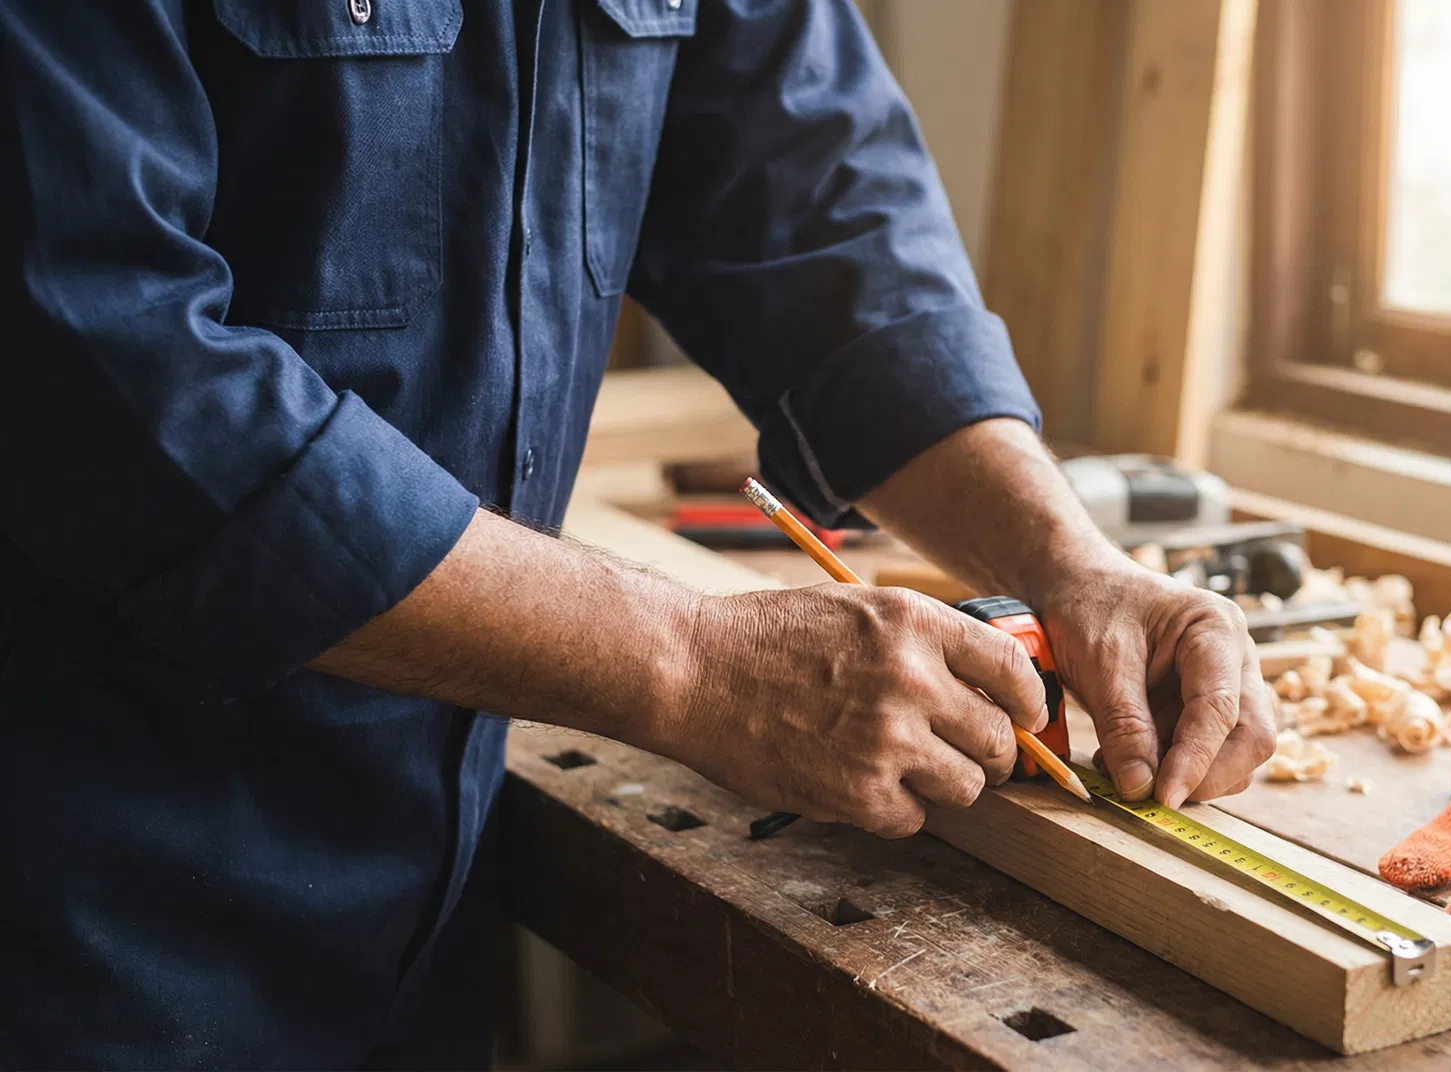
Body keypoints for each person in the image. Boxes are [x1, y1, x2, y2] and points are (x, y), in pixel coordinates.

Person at [0, 0, 1277, 1065]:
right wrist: (691, 661)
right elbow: (98, 368)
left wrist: (1073, 564)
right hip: (82, 892)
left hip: (414, 882)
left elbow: (834, 236)